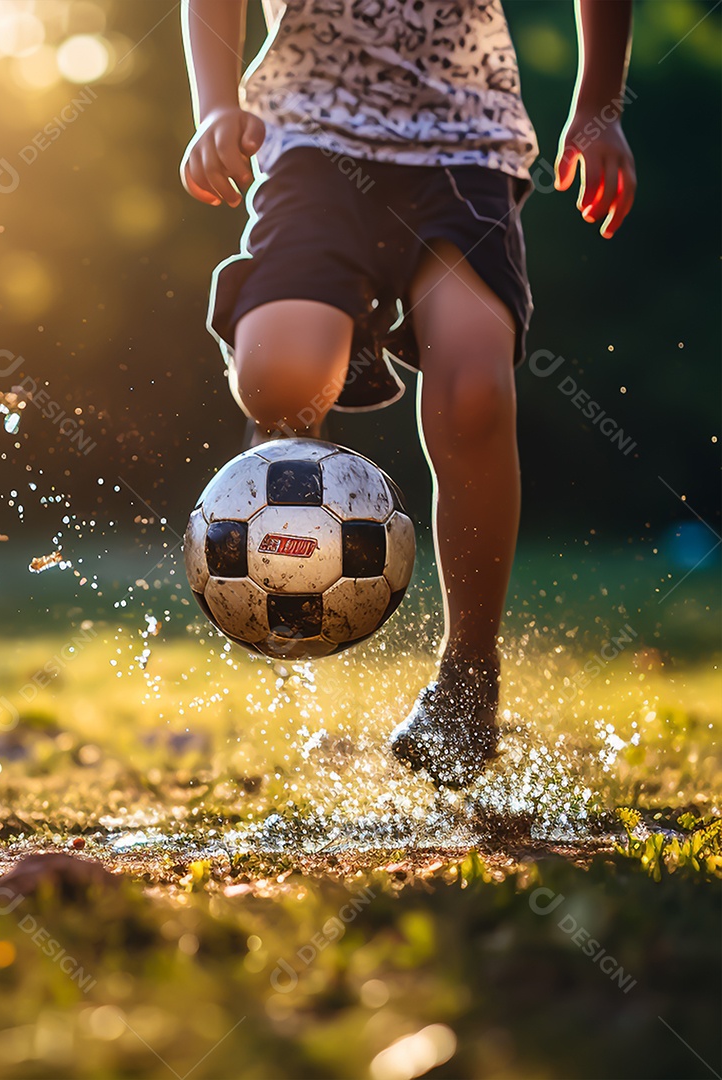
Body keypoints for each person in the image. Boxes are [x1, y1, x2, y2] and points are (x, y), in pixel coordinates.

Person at [179, 0, 636, 787]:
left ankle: (468, 676)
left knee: (475, 394)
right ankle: (283, 457)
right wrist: (216, 104)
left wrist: (598, 108)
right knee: (280, 377)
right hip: (314, 134)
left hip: (465, 142)